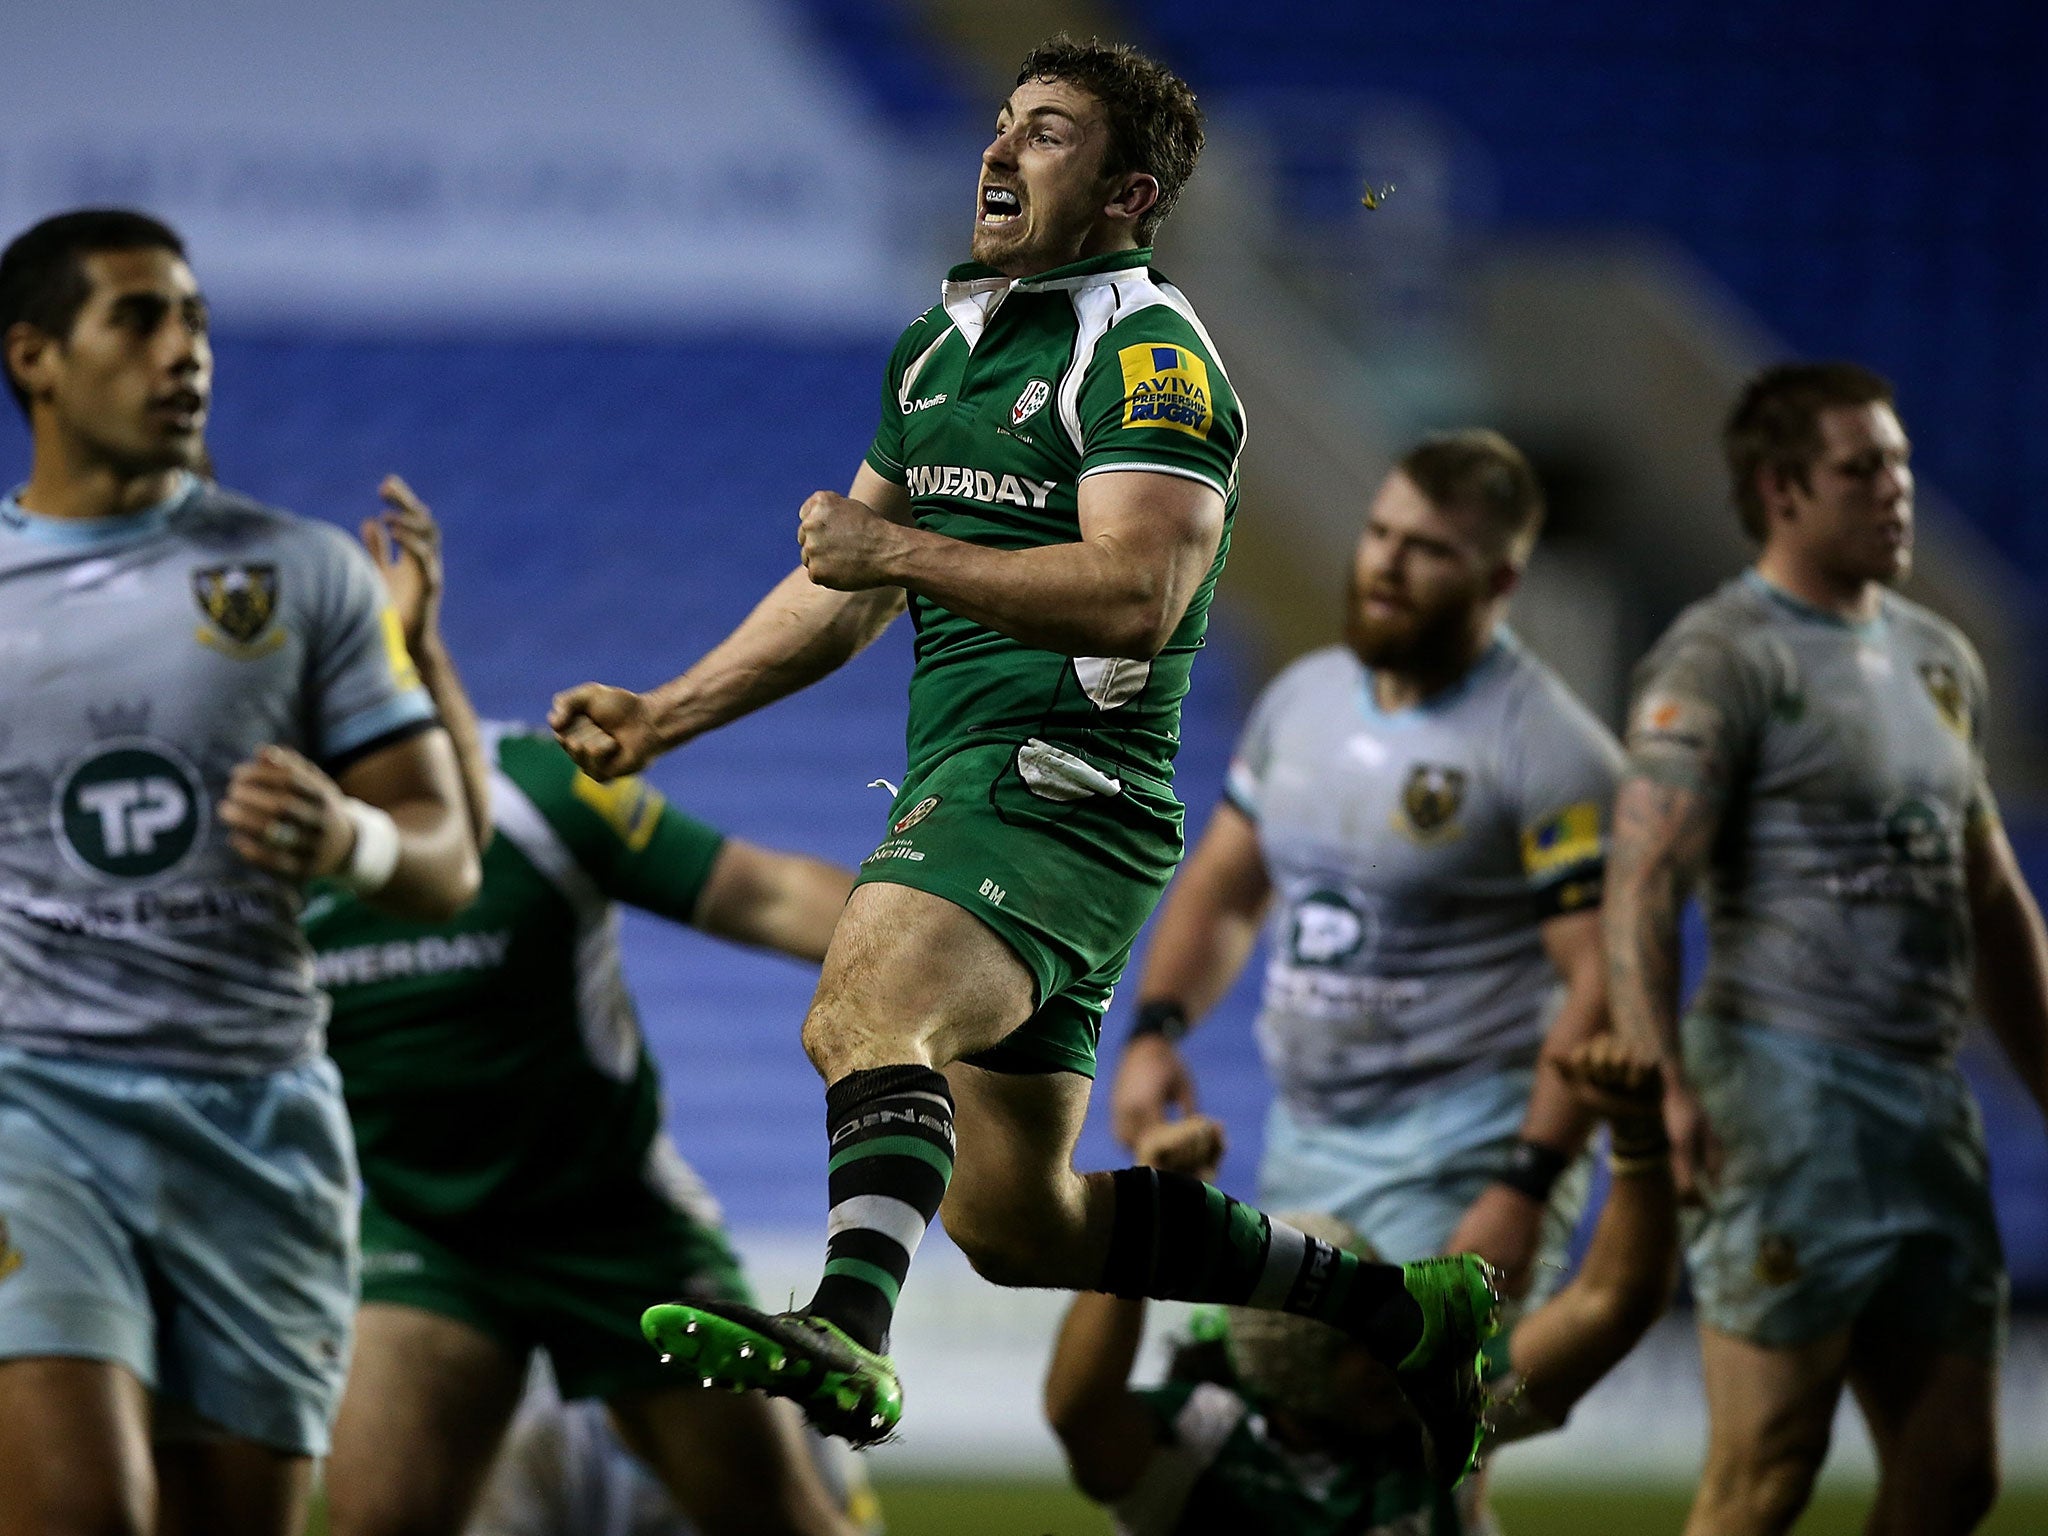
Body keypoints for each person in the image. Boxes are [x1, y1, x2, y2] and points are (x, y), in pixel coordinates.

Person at [550, 34, 1497, 1485]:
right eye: (1000, 125)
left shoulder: (1151, 353)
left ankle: (849, 1326)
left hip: (1063, 788)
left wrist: (896, 545)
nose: (998, 152)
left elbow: (1140, 592)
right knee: (1017, 1226)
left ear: (1126, 192)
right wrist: (668, 712)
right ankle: (1399, 1310)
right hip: (982, 786)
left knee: (862, 1005)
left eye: (1044, 135)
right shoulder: (941, 349)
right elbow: (847, 586)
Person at [0, 209, 479, 1536]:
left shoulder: (303, 575)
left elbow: (444, 862)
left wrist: (346, 841)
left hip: (259, 1132)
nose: (183, 352)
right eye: (139, 319)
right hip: (30, 1111)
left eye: (195, 319)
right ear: (35, 357)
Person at [305, 491, 865, 1536]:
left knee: (780, 1520)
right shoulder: (275, 851)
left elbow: (766, 894)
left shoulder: (539, 792)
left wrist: (949, 964)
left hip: (611, 1220)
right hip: (424, 1235)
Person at [1605, 362, 2048, 1536]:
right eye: (1862, 470)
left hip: (1923, 1104)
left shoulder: (1939, 658)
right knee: (1768, 1467)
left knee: (1953, 1472)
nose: (1895, 491)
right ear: (1781, 490)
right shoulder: (1722, 657)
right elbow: (1641, 882)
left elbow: (1989, 889)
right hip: (1783, 1094)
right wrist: (1667, 1087)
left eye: (1897, 465)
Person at [1110, 430, 1620, 1310]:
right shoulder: (1300, 701)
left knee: (1406, 1435)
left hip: (1466, 1149)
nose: (1387, 564)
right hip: (1307, 1141)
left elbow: (1602, 983)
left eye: (1428, 551)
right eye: (1381, 533)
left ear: (1499, 583)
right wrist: (1157, 1029)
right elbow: (1229, 889)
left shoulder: (1555, 753)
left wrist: (1525, 1185)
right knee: (1290, 1425)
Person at [1046, 1037, 1678, 1536]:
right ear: (1294, 1366)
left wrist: (1639, 1142)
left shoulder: (1437, 1396)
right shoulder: (1202, 1443)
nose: (1393, 1341)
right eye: (1360, 1336)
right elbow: (1080, 1411)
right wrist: (1147, 1220)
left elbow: (1610, 1305)